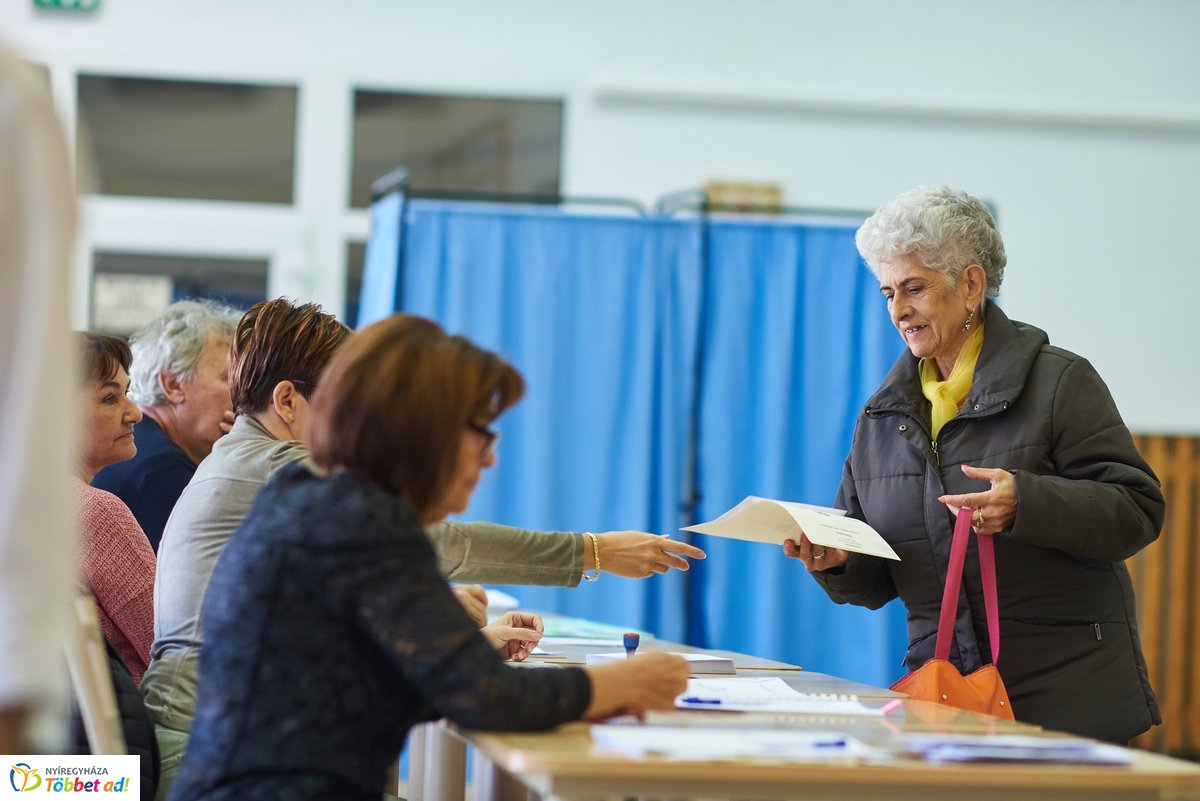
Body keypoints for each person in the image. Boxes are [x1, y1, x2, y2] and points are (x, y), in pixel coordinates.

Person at [145, 297, 704, 798]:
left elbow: (355, 679)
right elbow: (488, 697)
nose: (491, 458)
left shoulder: (319, 497)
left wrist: (452, 654)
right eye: (479, 433)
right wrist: (626, 681)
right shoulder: (345, 506)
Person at [784, 185, 1163, 744]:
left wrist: (1026, 504)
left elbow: (1137, 510)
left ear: (970, 285)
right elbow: (877, 582)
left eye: (914, 288)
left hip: (1064, 698)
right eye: (888, 292)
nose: (898, 310)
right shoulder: (881, 417)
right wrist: (837, 561)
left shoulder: (1059, 381)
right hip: (947, 701)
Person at [0, 41, 77, 754]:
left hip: (114, 767)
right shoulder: (105, 509)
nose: (131, 410)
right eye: (111, 395)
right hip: (144, 769)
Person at [93, 299, 241, 551]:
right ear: (173, 386)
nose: (244, 394)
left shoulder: (140, 444)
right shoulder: (162, 470)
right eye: (231, 378)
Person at [75, 333, 158, 684]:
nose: (134, 413)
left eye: (127, 392)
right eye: (110, 398)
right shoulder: (97, 512)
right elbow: (169, 648)